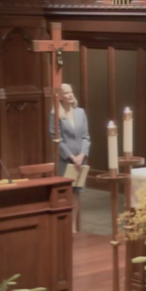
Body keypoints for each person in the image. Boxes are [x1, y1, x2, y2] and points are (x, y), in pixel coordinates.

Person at [50, 84, 90, 233]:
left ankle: (73, 227)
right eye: (66, 93)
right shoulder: (55, 115)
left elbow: (86, 136)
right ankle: (64, 227)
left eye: (71, 92)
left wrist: (82, 155)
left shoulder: (80, 112)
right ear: (60, 97)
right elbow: (56, 139)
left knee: (77, 193)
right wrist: (72, 157)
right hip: (66, 160)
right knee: (66, 193)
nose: (70, 95)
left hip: (80, 160)